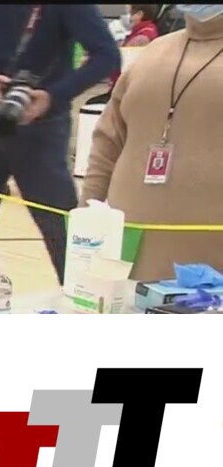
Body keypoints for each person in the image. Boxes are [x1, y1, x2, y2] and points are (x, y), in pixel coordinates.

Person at [0, 5, 120, 295]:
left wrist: (52, 96)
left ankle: (80, 298)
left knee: (59, 228)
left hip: (41, 129)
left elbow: (107, 56)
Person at [83, 4, 223, 280]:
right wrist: (86, 213)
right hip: (125, 261)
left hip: (210, 272)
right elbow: (108, 141)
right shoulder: (153, 52)